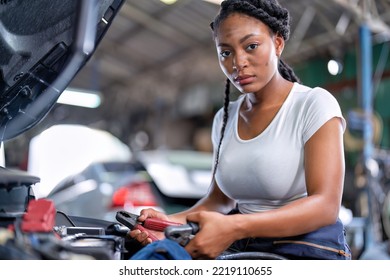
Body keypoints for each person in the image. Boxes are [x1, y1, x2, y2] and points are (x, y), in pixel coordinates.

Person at [129, 0, 351, 260]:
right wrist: (167, 221)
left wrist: (235, 227)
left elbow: (325, 206)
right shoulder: (224, 118)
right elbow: (219, 201)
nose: (238, 63)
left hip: (304, 252)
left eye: (251, 46)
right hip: (245, 249)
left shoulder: (313, 104)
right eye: (225, 52)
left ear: (278, 44)